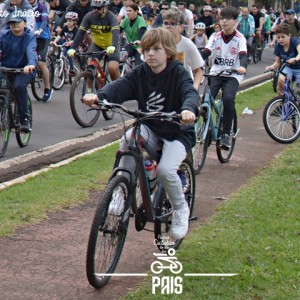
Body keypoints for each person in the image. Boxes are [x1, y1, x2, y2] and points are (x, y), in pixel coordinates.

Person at [83, 27, 200, 240]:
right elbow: (120, 86)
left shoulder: (178, 72)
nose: (150, 54)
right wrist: (99, 97)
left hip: (177, 132)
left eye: (157, 49)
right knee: (129, 139)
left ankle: (180, 209)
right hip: (151, 127)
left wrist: (188, 109)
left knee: (165, 170)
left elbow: (189, 92)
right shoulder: (140, 72)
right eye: (147, 50)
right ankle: (120, 192)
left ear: (169, 52)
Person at [201, 6, 247, 150]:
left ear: (235, 21)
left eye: (228, 19)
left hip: (233, 74)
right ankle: (206, 128)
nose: (224, 21)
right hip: (216, 73)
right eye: (222, 18)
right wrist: (196, 61)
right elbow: (207, 51)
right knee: (205, 101)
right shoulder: (216, 36)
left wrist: (242, 67)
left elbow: (243, 54)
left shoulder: (240, 38)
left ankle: (226, 134)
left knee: (228, 98)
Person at [0, 10, 37, 131]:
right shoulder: (3, 35)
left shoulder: (30, 36)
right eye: (12, 23)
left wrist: (30, 65)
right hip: (6, 69)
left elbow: (31, 51)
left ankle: (24, 119)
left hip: (24, 70)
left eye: (18, 22)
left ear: (25, 24)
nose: (15, 25)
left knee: (19, 87)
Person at [67, 0, 121, 81]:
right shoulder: (89, 16)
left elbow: (116, 33)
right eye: (94, 8)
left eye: (98, 8)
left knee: (112, 68)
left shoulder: (111, 17)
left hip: (111, 45)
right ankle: (89, 91)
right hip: (97, 45)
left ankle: (117, 88)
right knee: (90, 69)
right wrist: (73, 47)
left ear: (105, 8)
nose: (96, 10)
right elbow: (80, 33)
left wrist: (113, 46)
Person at [163, 8, 204, 90]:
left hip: (182, 86)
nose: (168, 27)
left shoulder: (187, 44)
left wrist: (194, 89)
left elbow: (199, 71)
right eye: (166, 23)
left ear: (181, 28)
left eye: (173, 24)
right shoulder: (157, 42)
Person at [265, 23, 300, 96]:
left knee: (298, 90)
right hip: (288, 67)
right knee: (281, 80)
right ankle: (282, 104)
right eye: (278, 37)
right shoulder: (278, 46)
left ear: (289, 35)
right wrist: (271, 66)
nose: (280, 39)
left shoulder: (295, 42)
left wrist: (295, 59)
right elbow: (277, 62)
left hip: (298, 68)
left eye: (283, 37)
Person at [29, 0, 53, 102]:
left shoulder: (42, 7)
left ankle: (47, 88)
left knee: (41, 63)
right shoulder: (24, 6)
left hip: (42, 37)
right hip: (30, 37)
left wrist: (41, 30)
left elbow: (44, 20)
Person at [51, 12, 79, 76]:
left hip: (73, 46)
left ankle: (72, 69)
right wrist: (54, 41)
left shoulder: (76, 30)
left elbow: (77, 39)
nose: (68, 22)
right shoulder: (65, 28)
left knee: (69, 54)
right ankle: (63, 68)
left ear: (74, 22)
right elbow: (60, 35)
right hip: (66, 45)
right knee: (62, 54)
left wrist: (71, 42)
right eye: (67, 21)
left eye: (70, 21)